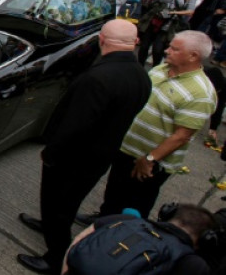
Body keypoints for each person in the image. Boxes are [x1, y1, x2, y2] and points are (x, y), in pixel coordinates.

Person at [15, 19, 152, 274]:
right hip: (101, 156)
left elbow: (74, 125)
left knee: (58, 206)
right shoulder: (142, 77)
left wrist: (51, 153)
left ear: (101, 40)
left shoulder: (99, 78)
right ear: (134, 43)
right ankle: (48, 225)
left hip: (73, 159)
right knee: (69, 202)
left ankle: (56, 257)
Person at [80, 31, 216, 223]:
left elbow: (182, 135)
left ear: (193, 56)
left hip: (150, 162)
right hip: (127, 148)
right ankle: (103, 221)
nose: (167, 50)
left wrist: (150, 158)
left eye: (174, 49)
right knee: (114, 191)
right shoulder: (162, 69)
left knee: (135, 205)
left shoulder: (201, 93)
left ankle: (120, 243)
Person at [64, 204, 216, 275]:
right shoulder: (192, 264)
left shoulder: (125, 219)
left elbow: (78, 241)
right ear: (204, 240)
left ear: (167, 213)